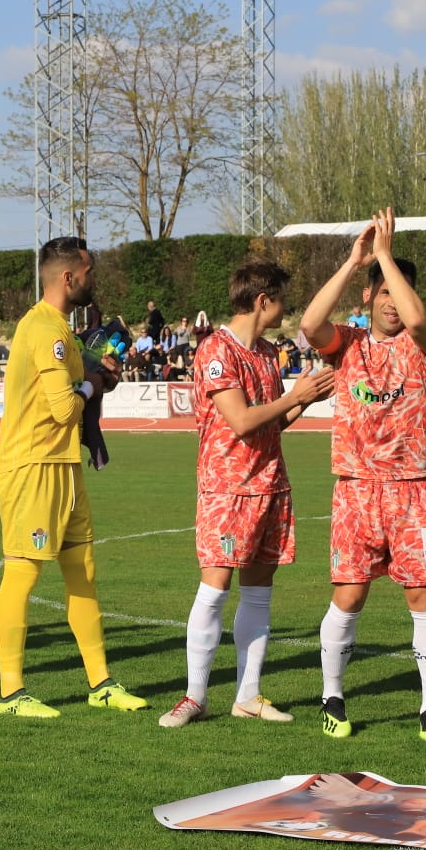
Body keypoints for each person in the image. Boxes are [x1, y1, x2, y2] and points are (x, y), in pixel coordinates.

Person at [298, 208, 426, 742]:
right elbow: (308, 325)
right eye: (382, 290)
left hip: (417, 492)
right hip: (357, 492)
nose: (391, 299)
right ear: (368, 298)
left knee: (424, 599)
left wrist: (387, 257)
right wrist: (356, 260)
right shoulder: (346, 345)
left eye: (399, 289)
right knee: (349, 597)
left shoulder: (423, 344)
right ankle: (333, 697)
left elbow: (416, 321)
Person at [160, 259, 335, 727]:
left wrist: (304, 401)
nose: (287, 309)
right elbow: (239, 420)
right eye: (282, 300)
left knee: (259, 593)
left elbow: (272, 422)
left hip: (269, 483)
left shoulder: (263, 352)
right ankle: (195, 696)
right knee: (215, 589)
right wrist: (294, 397)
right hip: (227, 488)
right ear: (263, 301)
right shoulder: (217, 351)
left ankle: (248, 695)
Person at [0, 236, 147, 718]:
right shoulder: (44, 330)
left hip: (62, 465)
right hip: (32, 466)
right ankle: (11, 694)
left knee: (83, 572)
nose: (93, 279)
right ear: (68, 277)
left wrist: (101, 375)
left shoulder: (62, 331)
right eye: (89, 271)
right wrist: (92, 382)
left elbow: (81, 390)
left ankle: (100, 683)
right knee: (22, 572)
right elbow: (63, 408)